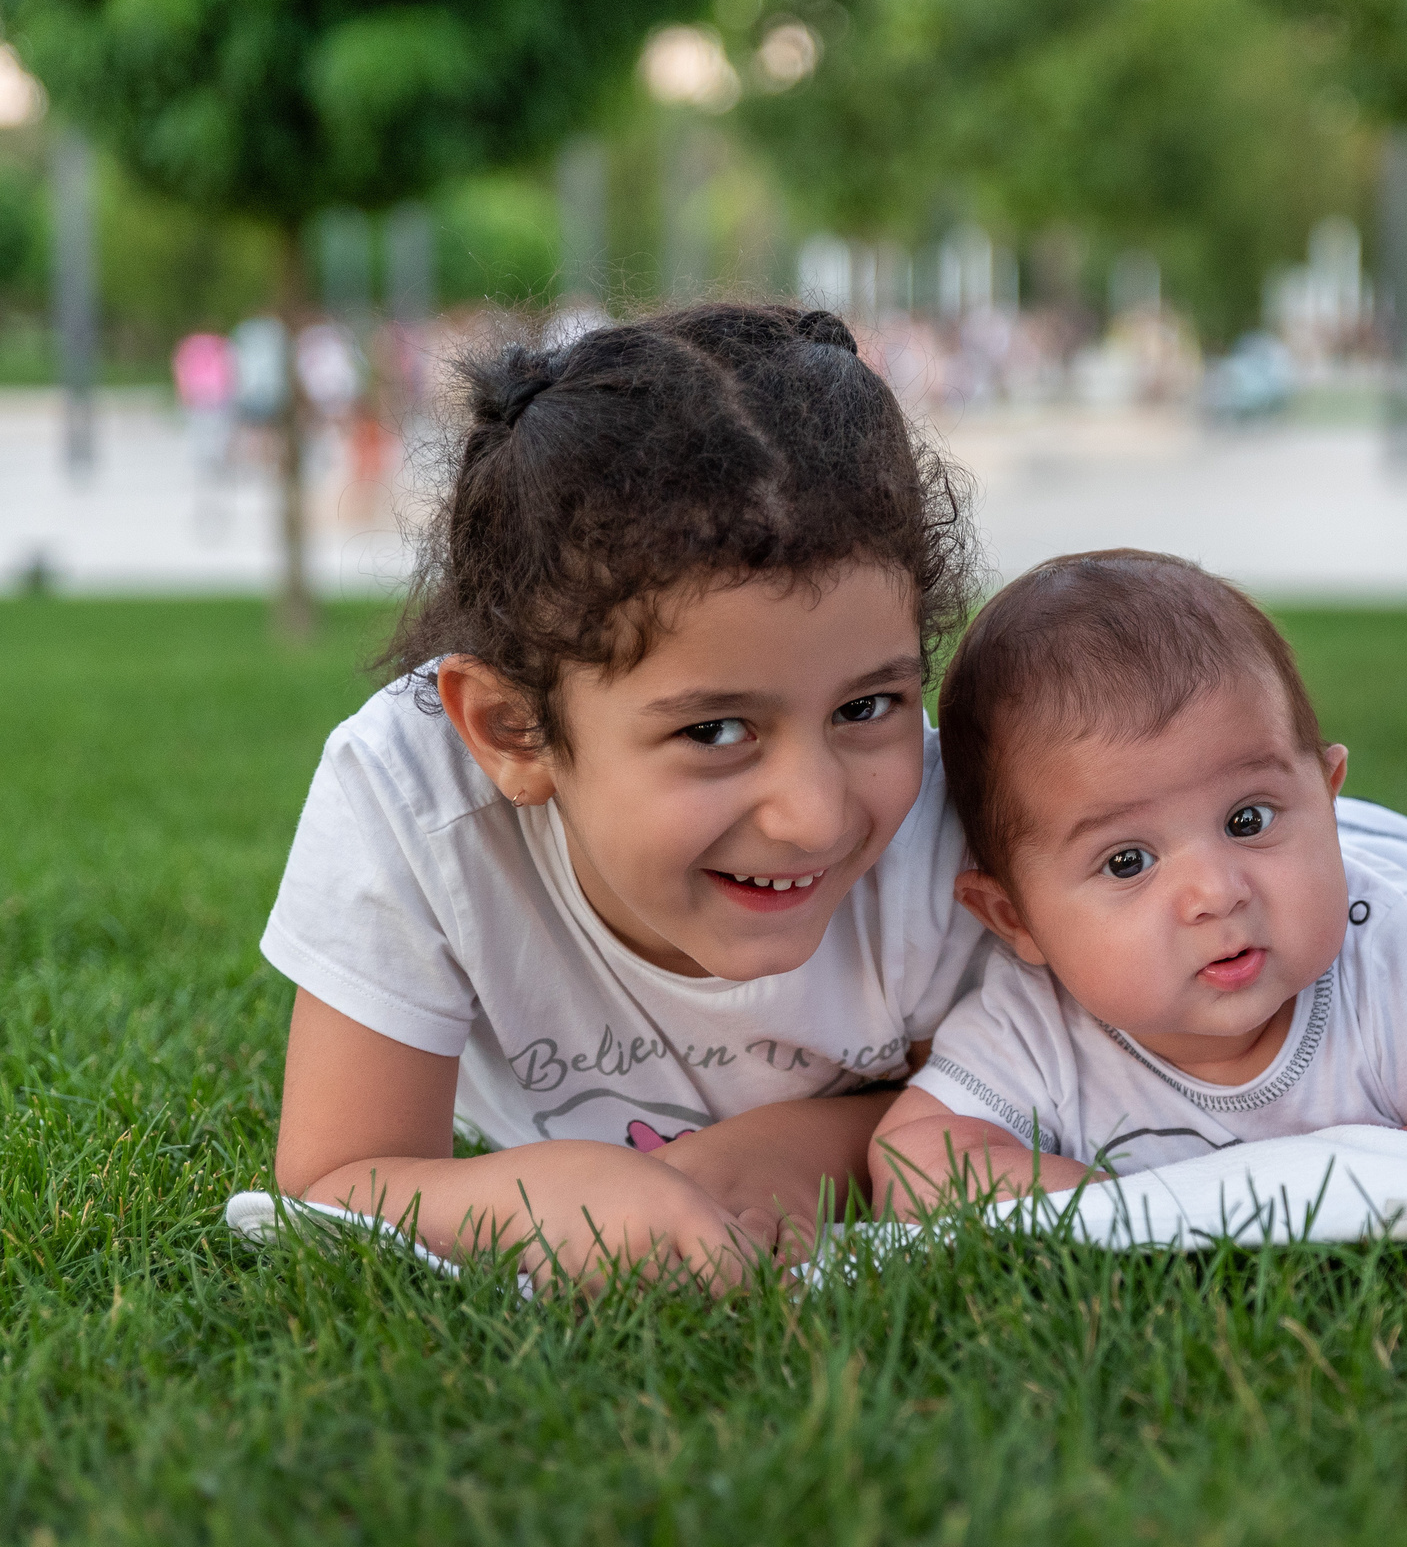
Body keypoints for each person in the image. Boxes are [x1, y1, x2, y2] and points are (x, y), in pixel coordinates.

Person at [265, 303, 985, 1289]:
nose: (815, 815)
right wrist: (540, 1194)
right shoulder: (415, 797)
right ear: (513, 731)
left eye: (867, 707)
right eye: (716, 731)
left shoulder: (951, 839)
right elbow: (338, 1176)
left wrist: (808, 1147)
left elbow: (1046, 1105)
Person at [867, 551, 1407, 1217]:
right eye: (1127, 862)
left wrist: (1406, 1165)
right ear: (1014, 919)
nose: (1216, 894)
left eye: (1248, 820)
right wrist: (1117, 1208)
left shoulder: (1399, 962)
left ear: (1326, 795)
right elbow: (914, 1159)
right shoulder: (1034, 1022)